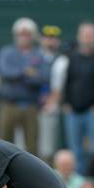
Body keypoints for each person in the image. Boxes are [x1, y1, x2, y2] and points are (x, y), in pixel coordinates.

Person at [61, 22, 94, 174]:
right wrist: (66, 103)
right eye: (85, 35)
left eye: (91, 35)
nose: (88, 38)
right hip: (73, 111)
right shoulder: (73, 58)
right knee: (75, 150)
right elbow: (68, 82)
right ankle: (79, 183)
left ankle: (92, 179)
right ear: (79, 37)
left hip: (93, 112)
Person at [0, 18, 50, 155]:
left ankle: (31, 175)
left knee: (32, 145)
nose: (24, 37)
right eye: (21, 34)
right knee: (4, 143)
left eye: (27, 34)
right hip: (9, 104)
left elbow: (42, 77)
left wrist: (18, 75)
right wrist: (25, 71)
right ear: (15, 35)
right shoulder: (7, 52)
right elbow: (4, 72)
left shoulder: (39, 54)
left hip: (31, 105)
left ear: (32, 36)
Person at [38, 25, 63, 163]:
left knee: (47, 148)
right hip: (33, 106)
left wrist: (52, 101)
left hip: (52, 107)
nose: (50, 41)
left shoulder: (61, 59)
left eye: (53, 38)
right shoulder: (34, 56)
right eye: (47, 38)